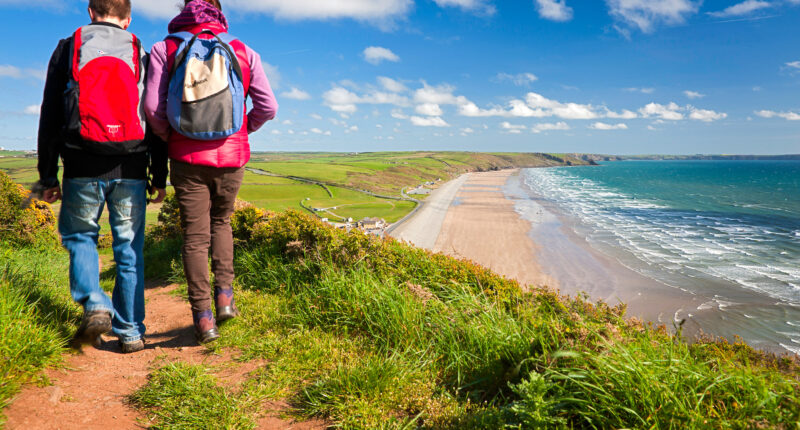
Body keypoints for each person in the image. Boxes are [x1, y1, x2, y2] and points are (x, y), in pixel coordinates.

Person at [37, 0, 167, 353]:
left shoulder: (69, 48)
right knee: (129, 250)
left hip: (80, 166)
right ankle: (130, 332)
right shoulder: (140, 52)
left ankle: (95, 301)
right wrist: (159, 175)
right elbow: (154, 116)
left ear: (91, 13)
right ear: (127, 19)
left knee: (81, 238)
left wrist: (48, 175)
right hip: (132, 167)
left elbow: (50, 114)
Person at [144, 0, 277, 344]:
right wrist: (243, 129)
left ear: (184, 9)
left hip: (186, 158)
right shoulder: (242, 51)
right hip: (233, 156)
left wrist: (171, 134)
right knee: (222, 223)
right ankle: (226, 298)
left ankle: (203, 318)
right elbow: (268, 107)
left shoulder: (166, 48)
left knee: (194, 236)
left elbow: (152, 109)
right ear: (219, 12)